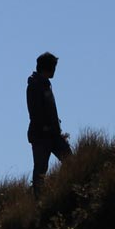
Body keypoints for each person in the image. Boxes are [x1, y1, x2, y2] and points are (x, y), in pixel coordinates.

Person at [27, 51, 72, 197]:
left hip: (52, 134)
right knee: (40, 170)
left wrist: (56, 129)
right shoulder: (35, 85)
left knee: (69, 159)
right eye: (53, 67)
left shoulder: (45, 84)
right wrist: (46, 127)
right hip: (41, 136)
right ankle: (39, 200)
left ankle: (70, 188)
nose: (55, 71)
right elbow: (35, 112)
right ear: (47, 67)